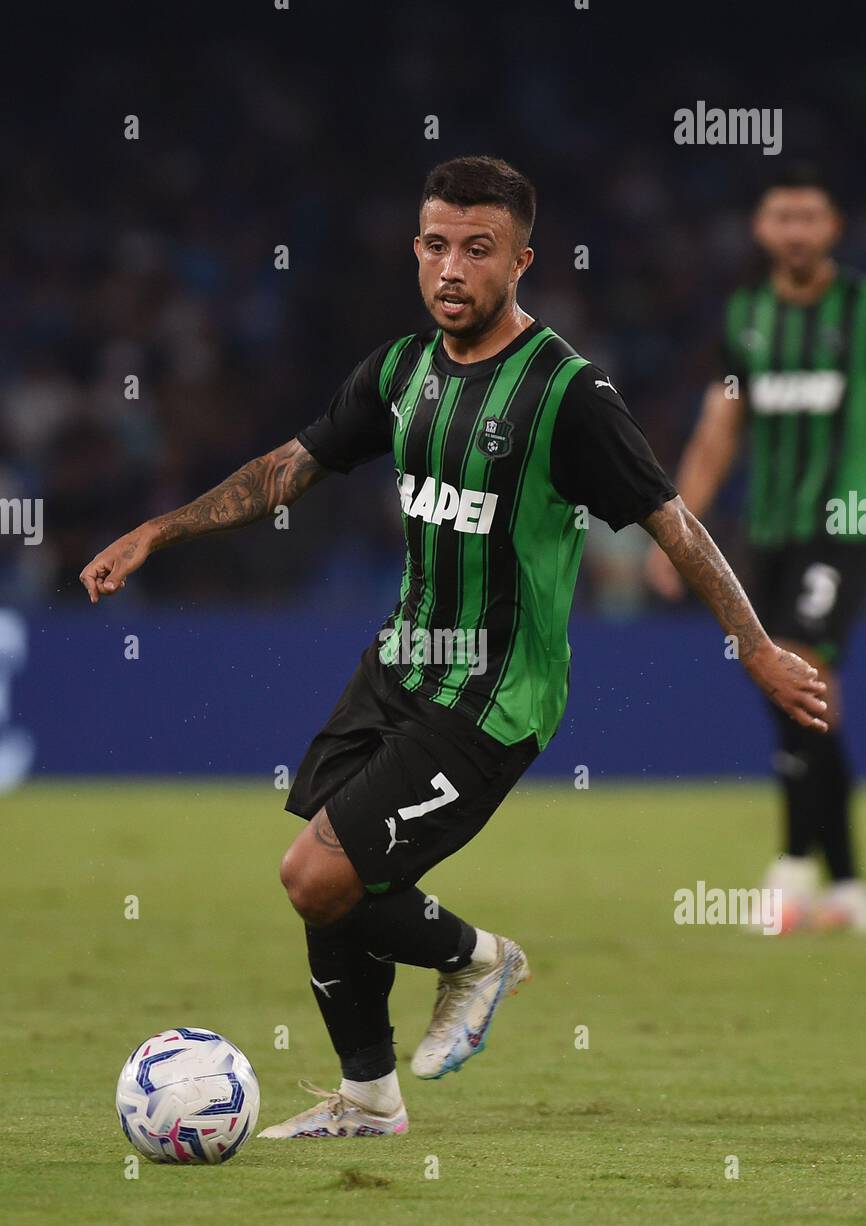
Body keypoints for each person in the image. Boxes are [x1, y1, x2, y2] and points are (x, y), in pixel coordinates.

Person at [81, 156, 827, 1138]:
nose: (451, 267)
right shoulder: (398, 372)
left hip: (494, 698)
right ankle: (367, 1100)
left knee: (316, 875)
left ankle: (478, 958)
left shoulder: (565, 394)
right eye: (435, 244)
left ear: (519, 261)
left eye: (477, 249)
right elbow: (287, 469)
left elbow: (672, 523)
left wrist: (757, 645)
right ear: (414, 251)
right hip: (397, 666)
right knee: (330, 887)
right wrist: (158, 530)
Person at [647, 165, 866, 933]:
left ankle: (794, 866)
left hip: (843, 525)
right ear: (762, 230)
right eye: (783, 216)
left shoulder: (859, 308)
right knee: (788, 687)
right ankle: (842, 882)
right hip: (765, 534)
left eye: (812, 216)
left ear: (834, 227)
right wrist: (678, 528)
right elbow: (721, 426)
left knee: (802, 666)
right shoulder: (745, 318)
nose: (797, 230)